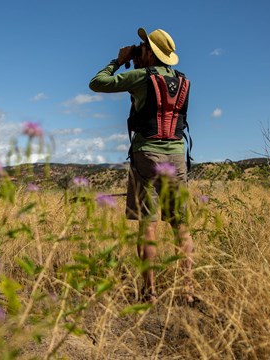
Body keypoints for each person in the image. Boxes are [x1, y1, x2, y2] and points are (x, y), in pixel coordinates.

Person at [89, 28, 195, 305]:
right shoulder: (184, 82)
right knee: (180, 225)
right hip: (176, 156)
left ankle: (149, 291)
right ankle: (188, 289)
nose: (138, 50)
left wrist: (118, 60)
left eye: (142, 47)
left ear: (150, 52)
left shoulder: (140, 77)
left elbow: (97, 83)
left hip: (146, 154)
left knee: (147, 225)